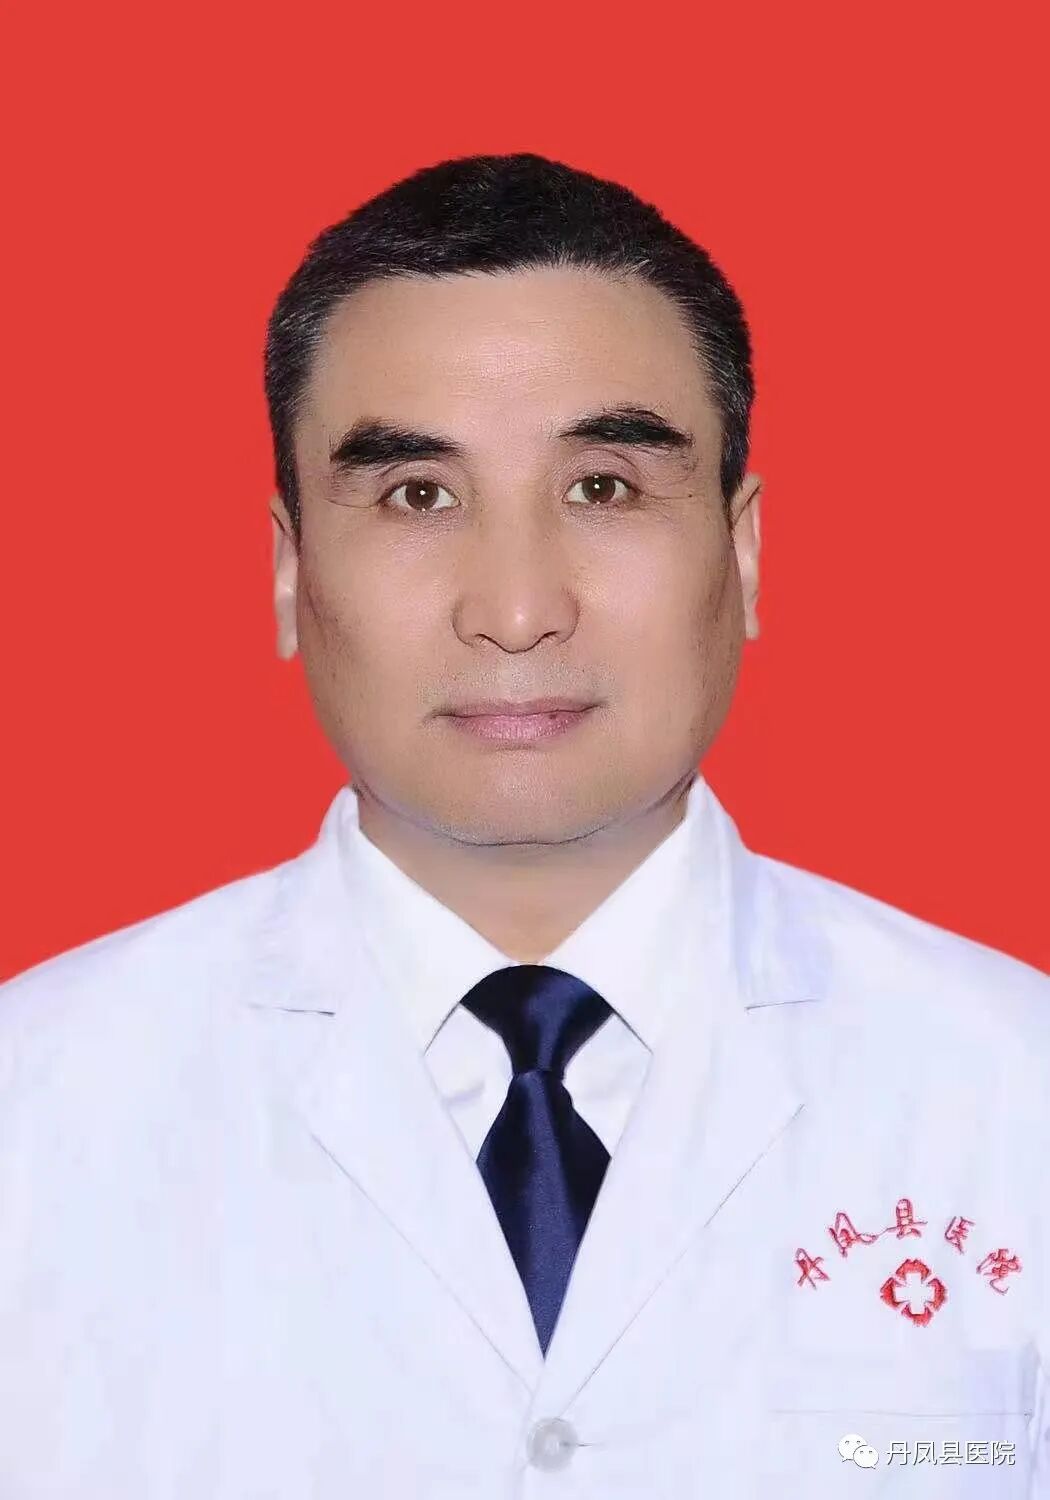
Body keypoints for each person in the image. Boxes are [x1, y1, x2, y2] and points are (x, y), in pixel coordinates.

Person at [0, 152, 1046, 1499]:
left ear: (741, 553)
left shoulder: (1009, 1092)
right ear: (289, 570)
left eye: (603, 486)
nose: (513, 610)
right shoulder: (35, 1114)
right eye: (416, 495)